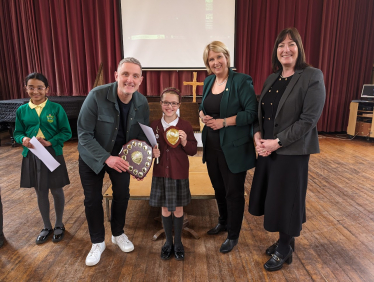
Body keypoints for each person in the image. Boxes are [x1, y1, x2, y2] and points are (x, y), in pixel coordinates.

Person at [248, 27, 326, 272]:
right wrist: (258, 135)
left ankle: (284, 247)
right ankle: (286, 241)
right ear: (276, 51)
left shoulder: (312, 75)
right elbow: (264, 115)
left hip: (291, 152)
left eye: (291, 44)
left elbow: (308, 120)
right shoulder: (272, 78)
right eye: (281, 45)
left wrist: (277, 142)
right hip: (268, 149)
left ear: (299, 48)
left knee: (288, 200)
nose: (286, 49)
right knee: (275, 197)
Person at [78, 57, 152, 267]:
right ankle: (97, 242)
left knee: (122, 194)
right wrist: (106, 158)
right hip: (92, 157)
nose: (130, 79)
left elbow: (142, 134)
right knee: (92, 199)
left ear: (141, 80)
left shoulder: (142, 102)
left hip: (121, 158)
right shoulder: (96, 96)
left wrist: (149, 150)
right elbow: (83, 134)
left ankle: (118, 233)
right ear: (116, 76)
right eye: (126, 74)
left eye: (135, 76)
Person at [199, 41, 258, 253]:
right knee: (219, 189)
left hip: (234, 148)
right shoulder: (208, 82)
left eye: (218, 57)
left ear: (227, 57)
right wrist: (201, 115)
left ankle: (233, 235)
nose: (215, 62)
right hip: (212, 146)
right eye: (211, 59)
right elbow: (202, 105)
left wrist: (224, 122)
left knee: (233, 193)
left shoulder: (241, 81)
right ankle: (223, 222)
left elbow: (251, 113)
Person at [13, 73, 72, 245]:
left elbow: (66, 132)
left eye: (40, 87)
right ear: (26, 88)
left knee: (56, 190)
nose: (35, 91)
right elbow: (17, 132)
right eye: (31, 87)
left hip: (53, 153)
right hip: (32, 156)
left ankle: (59, 224)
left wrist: (50, 141)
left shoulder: (56, 109)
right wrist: (22, 139)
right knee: (40, 192)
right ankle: (46, 226)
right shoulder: (22, 111)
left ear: (47, 89)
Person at [150, 87, 197, 261]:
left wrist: (185, 141)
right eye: (166, 102)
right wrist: (151, 152)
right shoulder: (154, 125)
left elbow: (192, 151)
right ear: (161, 103)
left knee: (178, 209)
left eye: (174, 103)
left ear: (179, 105)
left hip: (179, 173)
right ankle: (167, 243)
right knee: (164, 208)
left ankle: (178, 243)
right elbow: (149, 148)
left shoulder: (185, 125)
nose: (170, 106)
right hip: (161, 172)